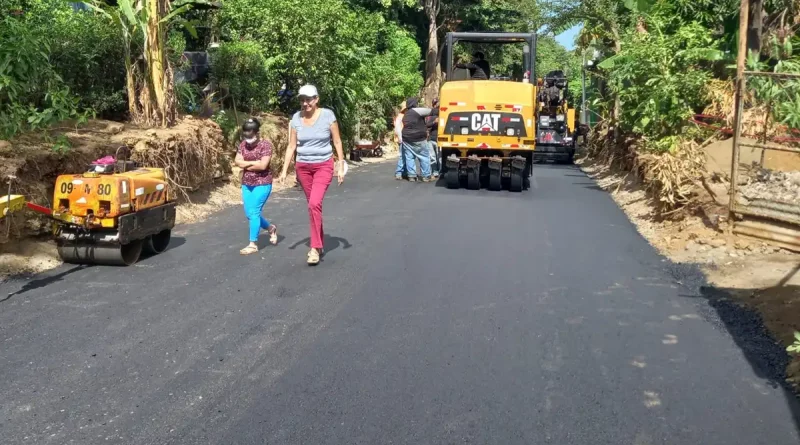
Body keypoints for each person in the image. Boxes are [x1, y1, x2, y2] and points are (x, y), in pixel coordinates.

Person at [278, 84, 345, 265]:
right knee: (313, 206)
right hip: (303, 168)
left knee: (314, 204)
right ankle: (319, 242)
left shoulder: (328, 115)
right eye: (302, 100)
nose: (305, 103)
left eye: (308, 99)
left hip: (323, 165)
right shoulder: (295, 118)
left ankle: (314, 248)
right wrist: (284, 171)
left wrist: (341, 165)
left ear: (316, 99)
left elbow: (337, 141)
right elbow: (291, 146)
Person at [234, 117, 278, 255]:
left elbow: (263, 165)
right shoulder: (242, 145)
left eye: (251, 134)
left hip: (262, 183)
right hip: (247, 183)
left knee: (254, 212)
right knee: (250, 214)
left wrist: (246, 163)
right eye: (246, 133)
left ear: (257, 133)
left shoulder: (266, 145)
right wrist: (254, 163)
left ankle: (253, 244)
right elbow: (237, 161)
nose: (248, 137)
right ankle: (270, 228)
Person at [399, 97, 433, 182]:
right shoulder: (417, 111)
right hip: (419, 137)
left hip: (406, 138)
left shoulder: (406, 114)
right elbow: (432, 111)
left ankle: (411, 176)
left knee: (409, 157)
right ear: (414, 104)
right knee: (424, 156)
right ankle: (426, 176)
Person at [425, 98, 440, 178]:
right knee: (433, 157)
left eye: (437, 104)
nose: (436, 106)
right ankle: (435, 172)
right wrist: (434, 122)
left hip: (439, 139)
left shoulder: (443, 115)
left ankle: (440, 172)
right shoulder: (429, 116)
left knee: (439, 157)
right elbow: (427, 125)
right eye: (435, 104)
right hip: (431, 139)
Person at [393, 101, 407, 180]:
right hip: (402, 138)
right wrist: (400, 139)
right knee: (402, 156)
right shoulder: (401, 116)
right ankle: (399, 172)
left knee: (406, 156)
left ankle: (404, 172)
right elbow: (397, 129)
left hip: (404, 138)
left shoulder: (404, 116)